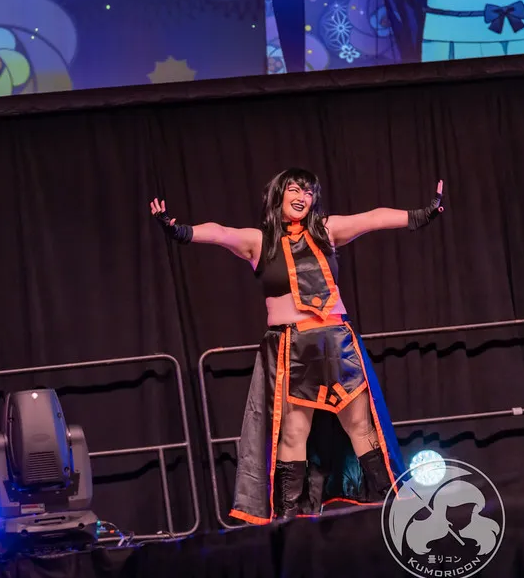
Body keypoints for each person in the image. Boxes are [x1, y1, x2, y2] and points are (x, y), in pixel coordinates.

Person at [151, 168, 444, 524]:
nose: (302, 197)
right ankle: (290, 522)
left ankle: (386, 507)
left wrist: (422, 214)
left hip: (336, 342)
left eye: (308, 192)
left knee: (361, 427)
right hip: (292, 346)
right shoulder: (260, 241)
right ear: (279, 194)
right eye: (294, 189)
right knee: (293, 432)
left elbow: (373, 218)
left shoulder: (326, 231)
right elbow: (220, 233)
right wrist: (180, 231)